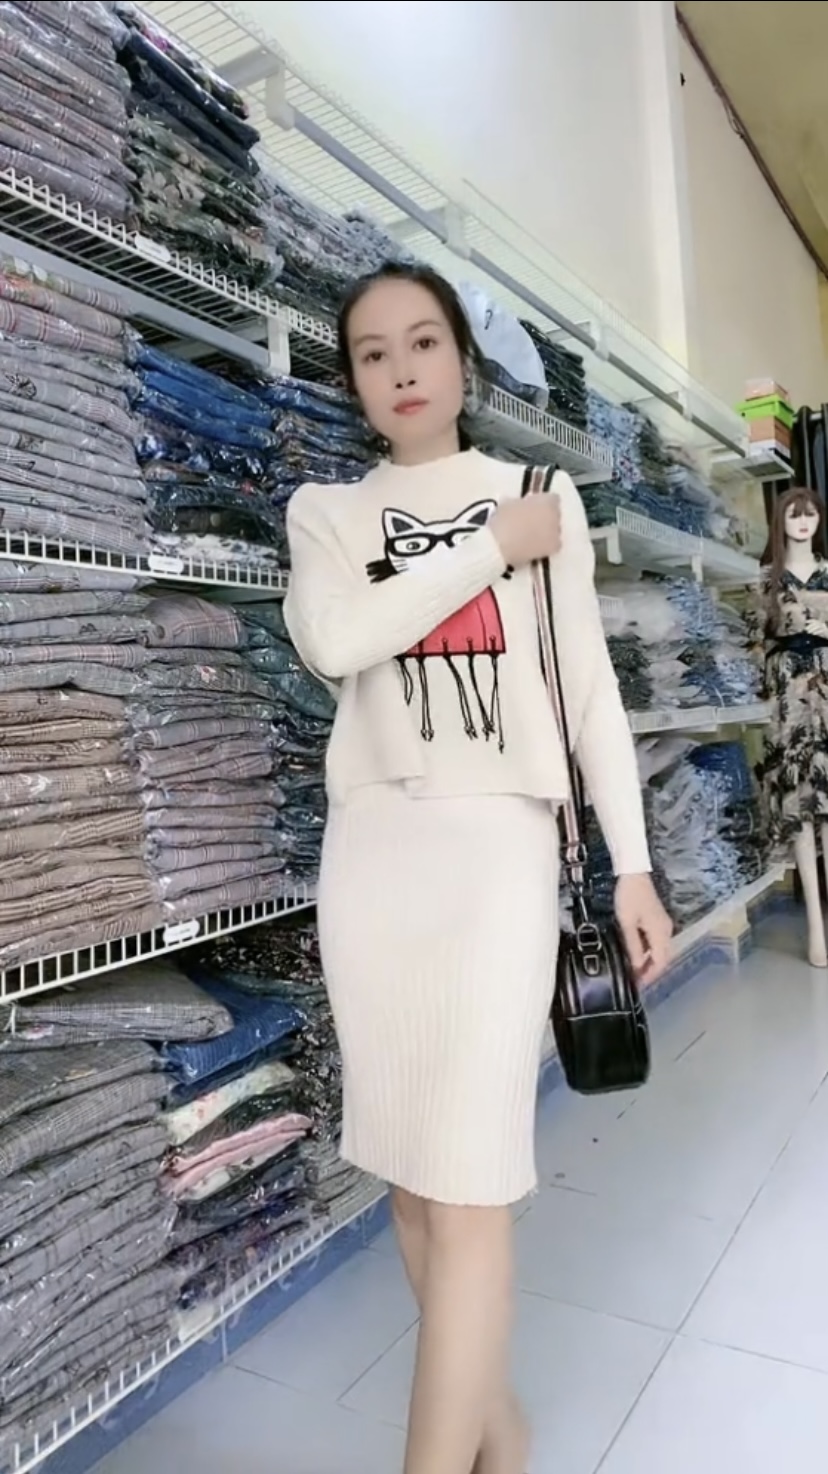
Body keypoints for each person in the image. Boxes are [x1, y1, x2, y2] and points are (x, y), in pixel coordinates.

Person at [284, 262, 672, 1474]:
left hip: (498, 856)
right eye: (373, 353)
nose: (402, 369)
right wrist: (487, 550)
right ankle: (499, 1430)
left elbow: (591, 699)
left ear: (463, 357)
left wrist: (633, 866)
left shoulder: (540, 494)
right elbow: (336, 639)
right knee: (410, 1180)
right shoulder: (326, 512)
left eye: (424, 342)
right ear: (354, 381)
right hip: (374, 860)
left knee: (468, 1183)